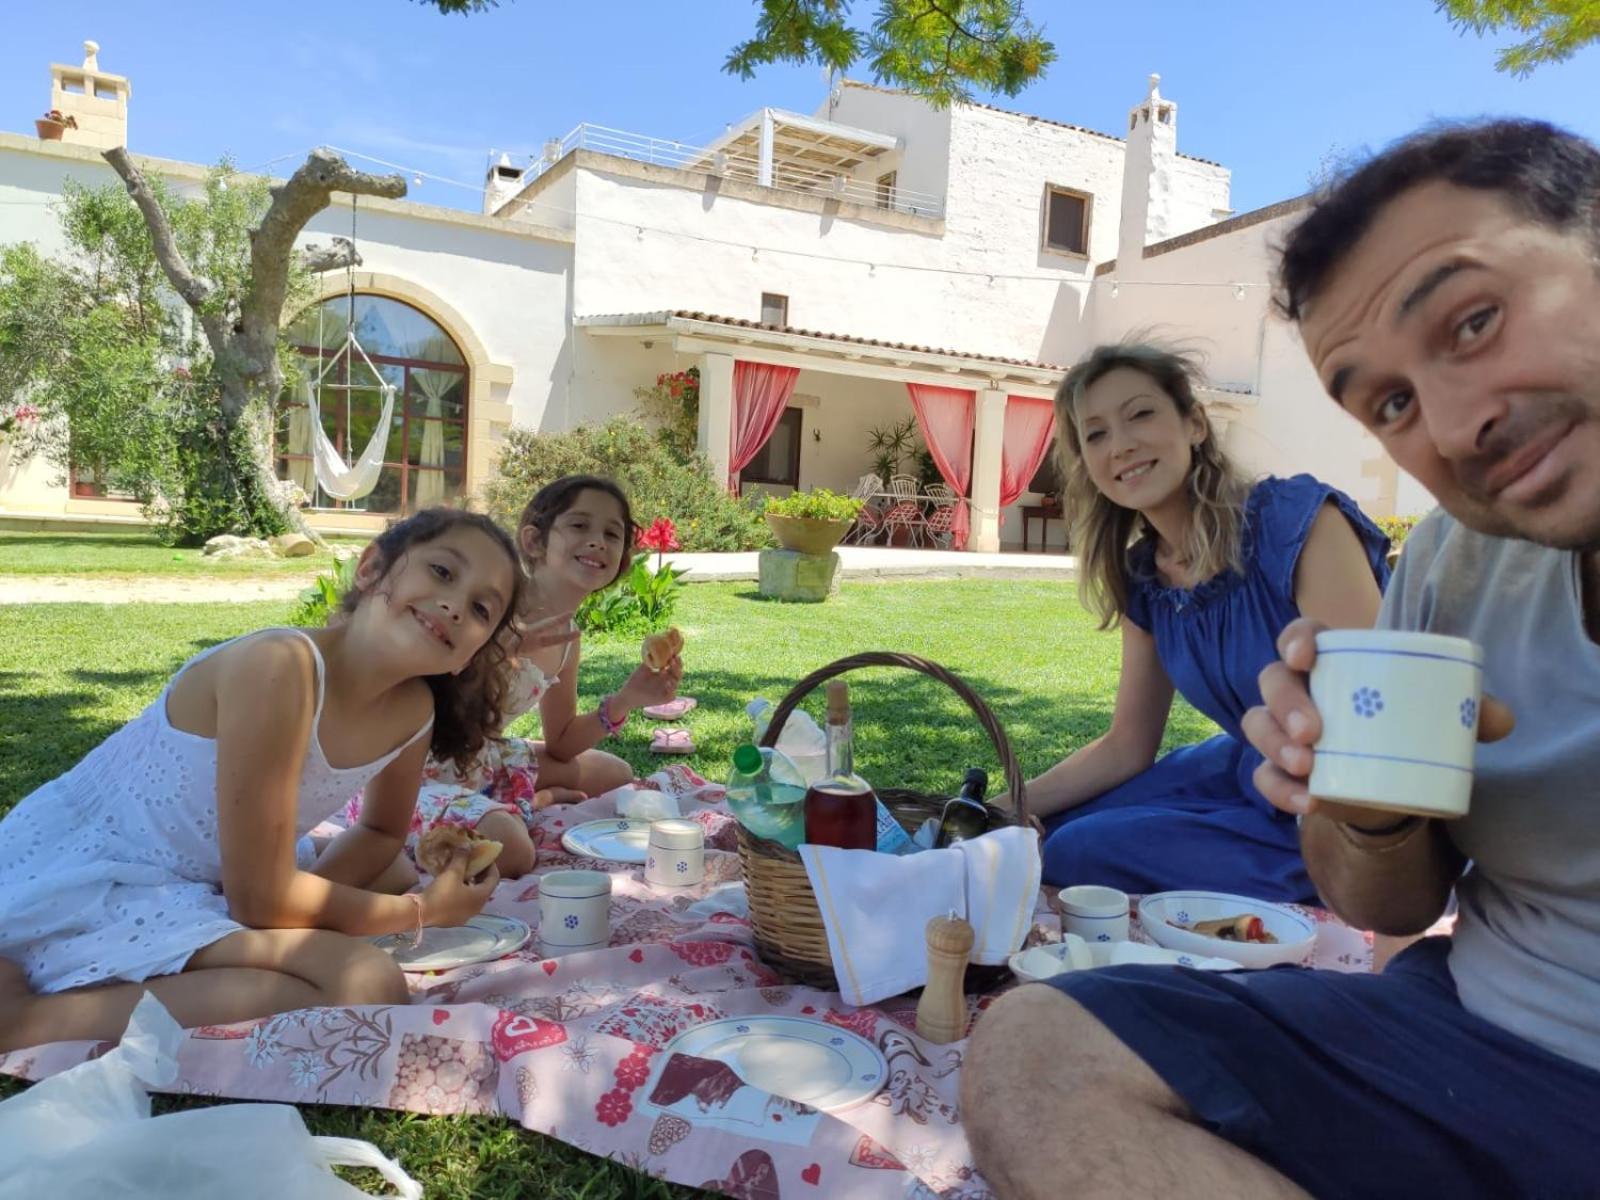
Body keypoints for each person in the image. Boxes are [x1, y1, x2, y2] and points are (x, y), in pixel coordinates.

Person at [962, 120, 1600, 1200]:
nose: (1454, 426)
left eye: (1474, 320)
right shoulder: (1452, 558)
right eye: (1390, 402)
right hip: (1457, 1015)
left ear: (1192, 425)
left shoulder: (1292, 521)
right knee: (1034, 1043)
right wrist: (1364, 807)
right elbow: (1388, 894)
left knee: (1099, 846)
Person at [0, 508, 524, 1052]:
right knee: (367, 981)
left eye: (480, 608)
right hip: (102, 871)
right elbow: (259, 898)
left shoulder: (413, 710)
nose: (454, 605)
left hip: (220, 878)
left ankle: (233, 948)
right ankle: (26, 1019)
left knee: (390, 870)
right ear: (371, 568)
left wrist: (295, 916)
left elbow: (381, 834)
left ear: (470, 655)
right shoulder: (279, 665)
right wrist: (424, 912)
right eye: (442, 572)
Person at [1025, 342, 1388, 903]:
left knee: (1075, 848)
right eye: (1095, 434)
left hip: (1333, 800)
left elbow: (1378, 710)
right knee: (1045, 827)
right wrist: (1000, 805)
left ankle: (1301, 882)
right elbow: (1128, 745)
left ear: (1194, 423)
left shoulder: (1294, 521)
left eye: (1140, 414)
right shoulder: (1145, 579)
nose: (1120, 445)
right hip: (1238, 767)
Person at [351, 474, 684, 882]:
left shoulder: (566, 640)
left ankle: (521, 799)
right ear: (534, 540)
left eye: (611, 534)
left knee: (615, 773)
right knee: (511, 850)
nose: (597, 541)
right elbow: (418, 693)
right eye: (579, 525)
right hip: (408, 769)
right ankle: (514, 807)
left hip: (478, 758)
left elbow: (561, 742)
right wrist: (494, 651)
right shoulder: (488, 603)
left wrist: (628, 699)